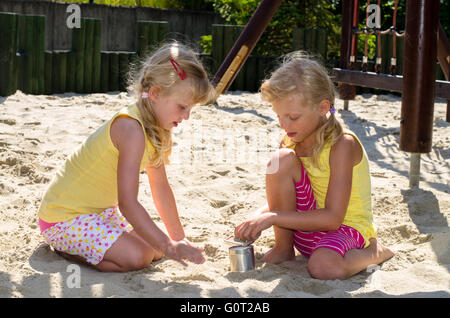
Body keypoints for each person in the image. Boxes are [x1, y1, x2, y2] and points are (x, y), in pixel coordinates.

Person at [37, 42, 215, 272]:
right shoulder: (131, 129)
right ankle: (67, 251)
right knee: (139, 257)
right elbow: (128, 203)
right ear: (155, 93)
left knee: (156, 251)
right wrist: (168, 244)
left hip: (99, 213)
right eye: (182, 107)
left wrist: (177, 239)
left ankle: (92, 247)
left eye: (191, 109)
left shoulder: (157, 129)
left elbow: (160, 186)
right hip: (65, 218)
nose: (187, 116)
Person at [234, 52, 394, 280]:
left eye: (293, 116)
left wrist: (271, 218)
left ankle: (374, 252)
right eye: (279, 116)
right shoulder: (291, 141)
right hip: (305, 230)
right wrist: (256, 218)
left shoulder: (342, 145)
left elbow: (333, 219)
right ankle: (284, 248)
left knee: (322, 267)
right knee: (279, 159)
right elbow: (282, 200)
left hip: (346, 231)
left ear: (322, 108)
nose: (284, 124)